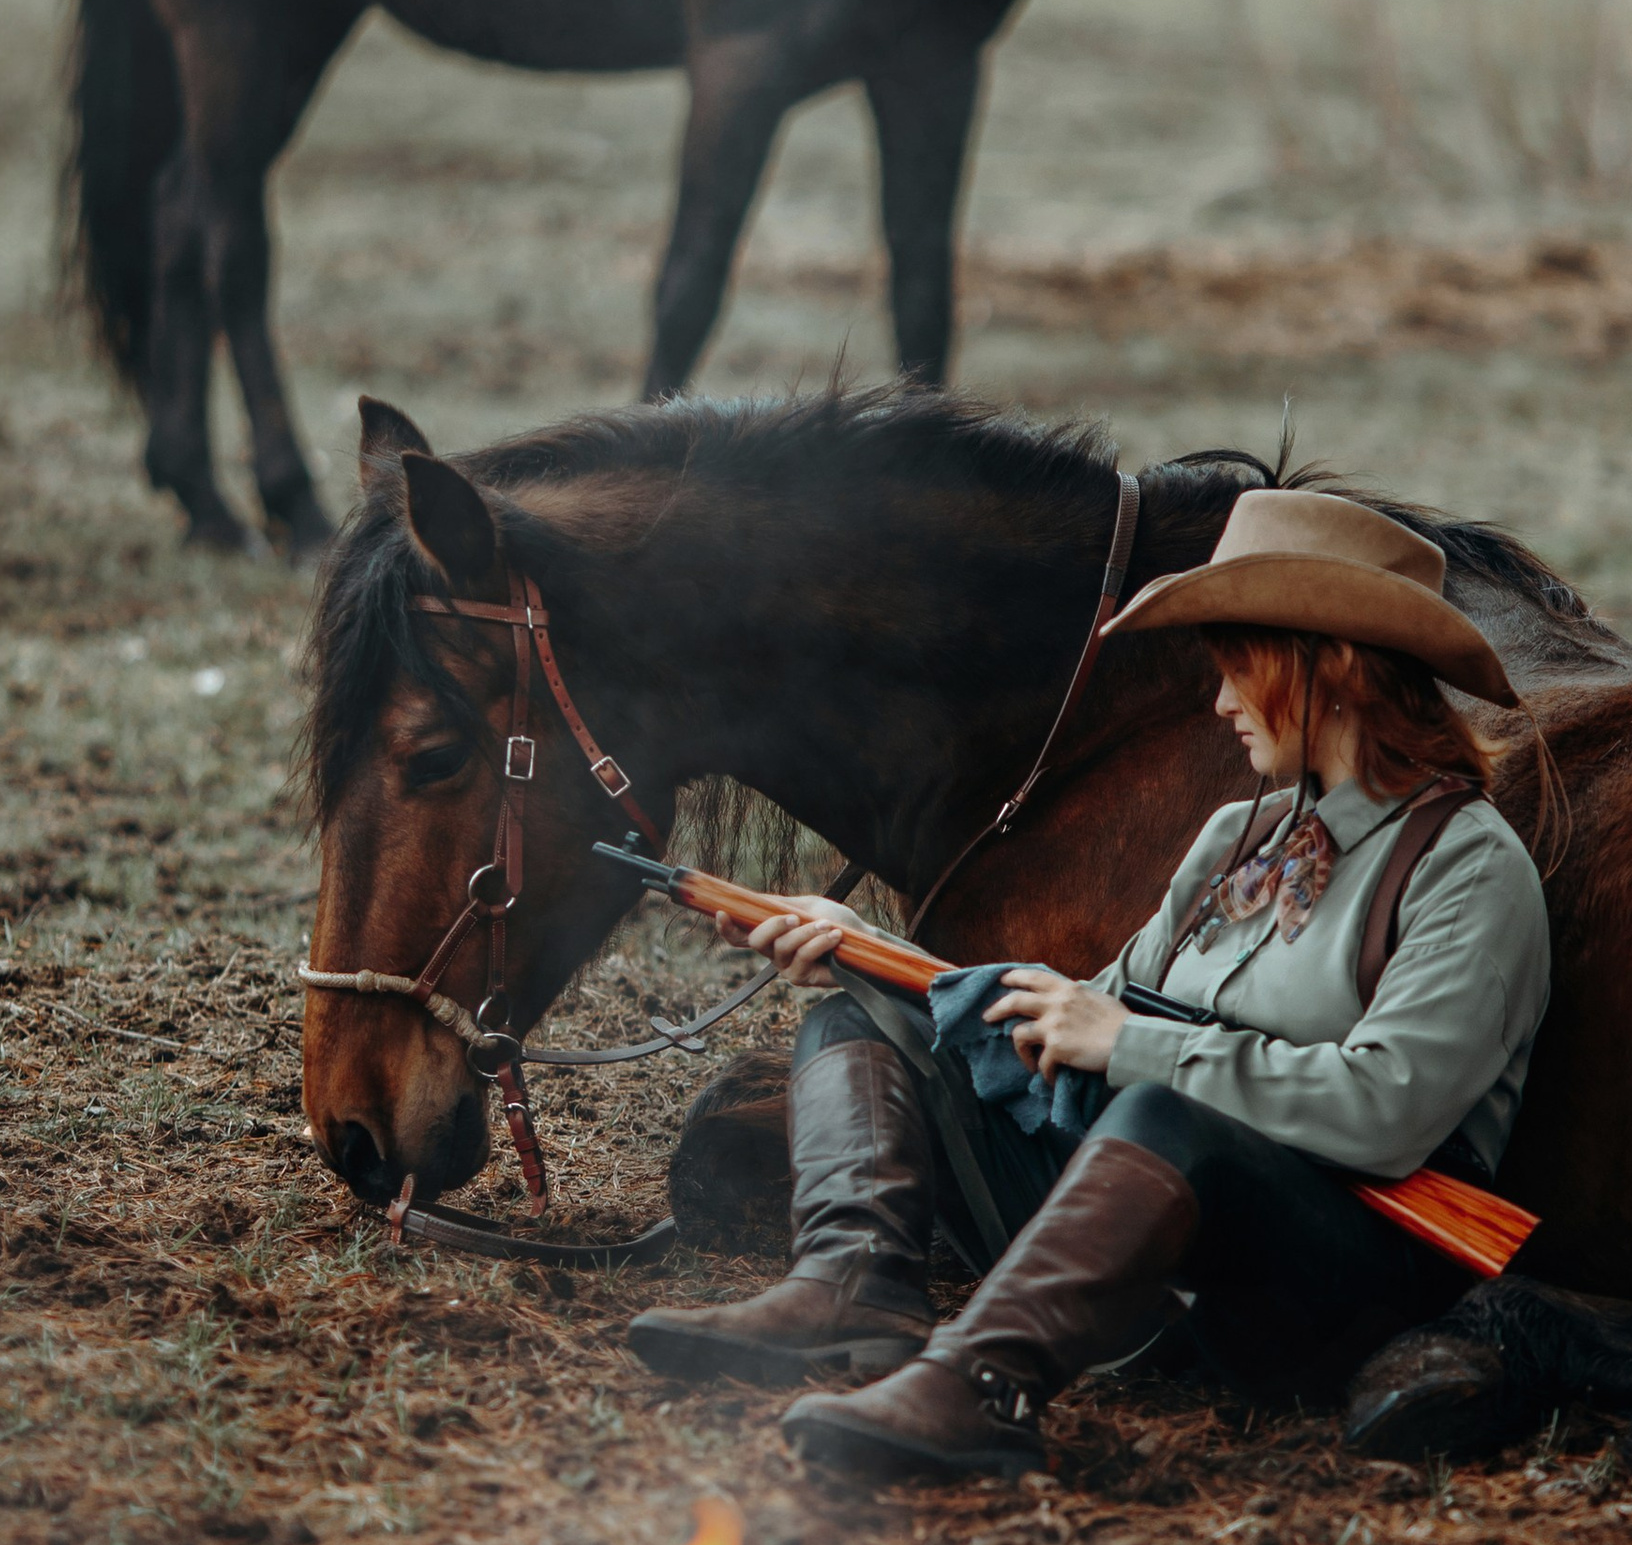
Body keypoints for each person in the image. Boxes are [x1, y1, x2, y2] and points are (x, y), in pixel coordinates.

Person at [622, 490, 1553, 1487]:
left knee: (1163, 1110)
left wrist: (1132, 1048)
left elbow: (1385, 1113)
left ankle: (983, 1387)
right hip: (1155, 1227)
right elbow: (1085, 1022)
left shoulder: (1468, 867)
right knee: (859, 1019)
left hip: (1332, 1289)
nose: (1220, 702)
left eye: (1235, 668)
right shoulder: (1235, 837)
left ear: (1322, 668)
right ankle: (853, 1289)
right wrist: (871, 953)